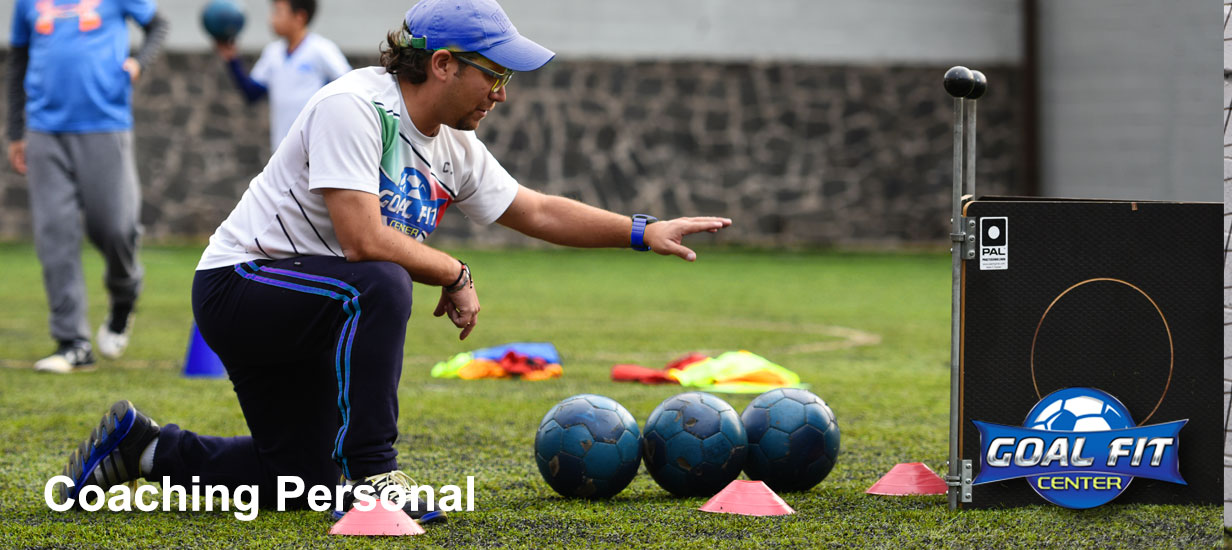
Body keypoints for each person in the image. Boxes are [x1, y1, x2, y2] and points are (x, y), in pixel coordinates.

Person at [54, 0, 730, 521]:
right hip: (243, 287)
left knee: (297, 481)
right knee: (379, 281)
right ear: (441, 65)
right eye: (493, 74)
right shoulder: (356, 107)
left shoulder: (451, 145)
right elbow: (364, 241)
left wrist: (641, 231)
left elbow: (536, 209)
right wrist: (453, 271)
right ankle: (374, 477)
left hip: (316, 308)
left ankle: (141, 448)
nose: (501, 92)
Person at [7, 0, 169, 373]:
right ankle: (73, 343)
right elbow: (18, 62)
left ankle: (124, 297)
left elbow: (158, 26)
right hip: (44, 129)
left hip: (105, 123)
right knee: (55, 236)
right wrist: (15, 131)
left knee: (115, 228)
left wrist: (138, 63)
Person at [215, 0, 351, 151]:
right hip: (281, 151)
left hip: (315, 149)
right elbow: (251, 93)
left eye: (278, 12)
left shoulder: (322, 50)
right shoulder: (272, 53)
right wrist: (232, 60)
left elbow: (349, 86)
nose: (271, 19)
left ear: (300, 17)